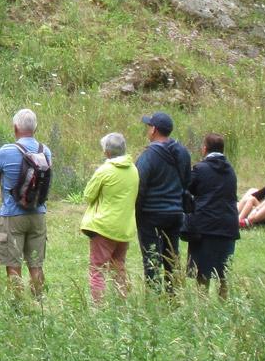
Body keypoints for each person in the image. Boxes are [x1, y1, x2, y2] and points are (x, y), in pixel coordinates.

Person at [0, 108, 52, 296]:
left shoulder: (6, 151)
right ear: (35, 128)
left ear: (15, 128)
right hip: (38, 212)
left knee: (13, 263)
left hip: (12, 214)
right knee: (36, 264)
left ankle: (17, 305)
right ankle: (38, 301)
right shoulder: (45, 150)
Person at [133, 111, 191, 292]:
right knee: (172, 255)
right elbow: (187, 180)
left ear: (154, 130)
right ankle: (173, 294)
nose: (147, 130)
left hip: (151, 213)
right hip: (175, 212)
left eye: (149, 126)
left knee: (151, 256)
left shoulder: (148, 155)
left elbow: (139, 184)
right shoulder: (182, 152)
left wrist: (137, 209)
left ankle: (154, 295)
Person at [81, 132, 139, 303]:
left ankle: (98, 308)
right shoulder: (134, 170)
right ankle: (122, 305)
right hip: (125, 228)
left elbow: (88, 195)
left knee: (97, 269)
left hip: (104, 227)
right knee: (118, 267)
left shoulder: (104, 170)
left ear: (107, 152)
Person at [182, 132, 239, 298]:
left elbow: (187, 188)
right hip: (228, 226)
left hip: (205, 227)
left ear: (204, 148)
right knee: (223, 273)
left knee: (203, 273)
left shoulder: (200, 169)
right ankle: (223, 305)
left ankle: (203, 306)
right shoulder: (231, 170)